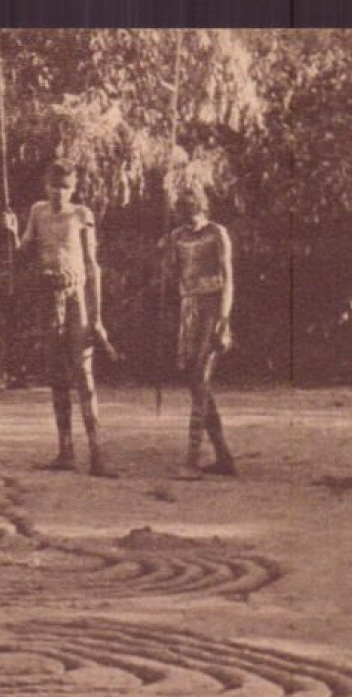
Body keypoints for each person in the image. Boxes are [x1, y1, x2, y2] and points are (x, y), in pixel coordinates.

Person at [4, 159, 114, 476]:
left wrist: (97, 317)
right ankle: (65, 450)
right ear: (45, 185)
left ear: (74, 187)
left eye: (65, 187)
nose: (59, 193)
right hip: (48, 295)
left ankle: (97, 452)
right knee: (56, 374)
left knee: (83, 370)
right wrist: (12, 234)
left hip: (76, 293)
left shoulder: (82, 214)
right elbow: (23, 253)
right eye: (54, 185)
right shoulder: (38, 211)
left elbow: (93, 266)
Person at [156, 182, 236, 479]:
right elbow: (172, 276)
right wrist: (165, 255)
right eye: (181, 210)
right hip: (188, 309)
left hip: (212, 309)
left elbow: (228, 279)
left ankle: (192, 458)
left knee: (201, 378)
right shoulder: (176, 237)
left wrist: (224, 319)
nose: (186, 215)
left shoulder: (217, 233)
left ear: (202, 206)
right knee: (195, 382)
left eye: (191, 208)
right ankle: (224, 456)